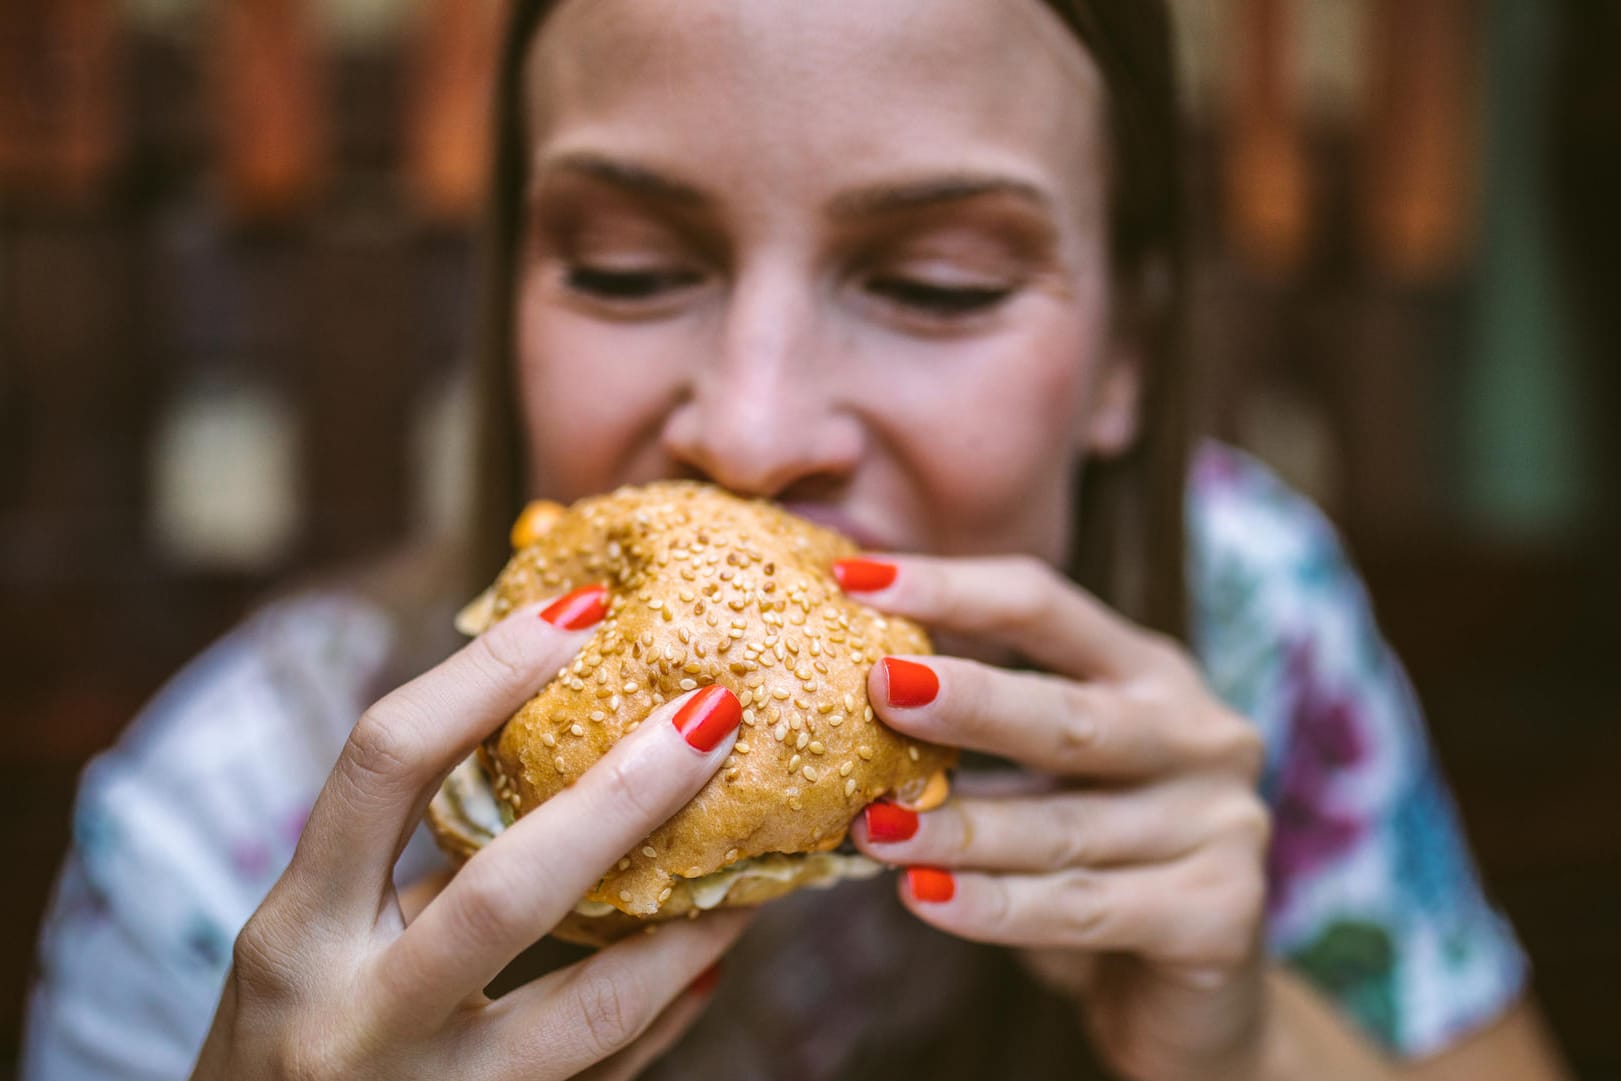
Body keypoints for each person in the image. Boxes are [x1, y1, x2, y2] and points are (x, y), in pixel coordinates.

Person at [23, 1, 1573, 1078]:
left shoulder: (1243, 618)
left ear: (1128, 358)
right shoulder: (218, 832)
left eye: (942, 282)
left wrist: (1246, 1052)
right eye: (625, 267)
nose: (753, 429)